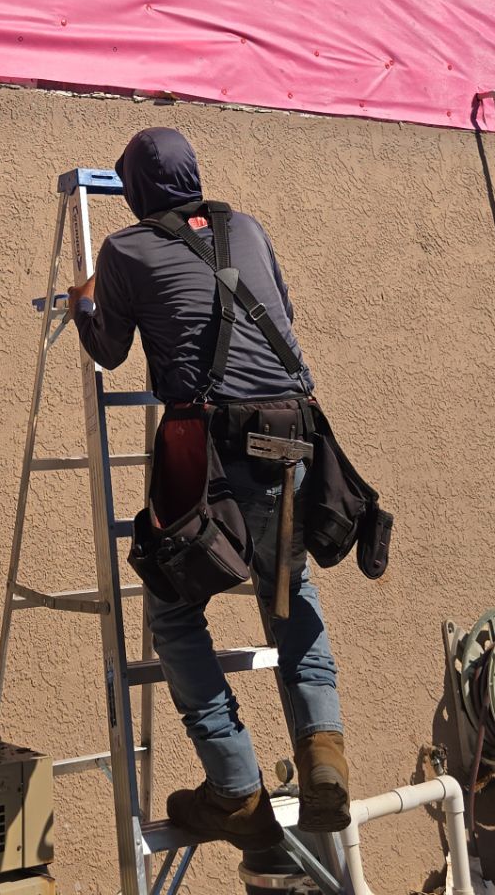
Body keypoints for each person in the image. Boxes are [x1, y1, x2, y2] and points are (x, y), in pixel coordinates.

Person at [68, 126, 350, 851]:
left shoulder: (125, 250)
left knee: (172, 610)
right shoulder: (246, 226)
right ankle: (324, 754)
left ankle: (232, 785)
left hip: (215, 445)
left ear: (131, 193)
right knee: (288, 590)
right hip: (295, 436)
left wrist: (82, 305)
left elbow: (110, 350)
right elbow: (280, 310)